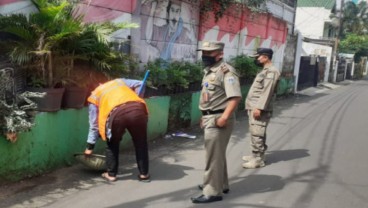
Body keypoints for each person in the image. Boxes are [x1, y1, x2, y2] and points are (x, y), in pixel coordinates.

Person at [191, 41, 242, 204]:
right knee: (217, 154)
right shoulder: (209, 71)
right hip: (211, 117)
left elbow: (235, 97)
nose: (205, 56)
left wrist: (223, 118)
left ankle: (212, 191)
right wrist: (204, 114)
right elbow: (210, 97)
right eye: (204, 53)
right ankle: (221, 184)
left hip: (219, 118)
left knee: (212, 157)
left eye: (209, 53)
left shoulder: (227, 72)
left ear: (219, 54)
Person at [84, 79, 150, 182]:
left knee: (112, 144)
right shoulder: (118, 82)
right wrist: (137, 97)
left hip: (117, 115)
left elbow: (94, 125)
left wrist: (89, 147)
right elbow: (140, 83)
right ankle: (144, 174)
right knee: (141, 143)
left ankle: (111, 175)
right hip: (138, 110)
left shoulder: (94, 95)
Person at [242, 48, 280, 169]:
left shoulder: (271, 71)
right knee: (257, 131)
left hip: (259, 108)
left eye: (258, 57)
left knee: (257, 133)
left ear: (265, 57)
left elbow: (267, 92)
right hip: (255, 107)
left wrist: (259, 108)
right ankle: (257, 155)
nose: (256, 59)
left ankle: (257, 159)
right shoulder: (265, 70)